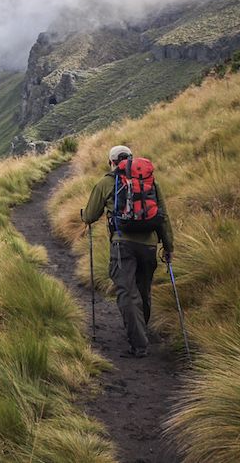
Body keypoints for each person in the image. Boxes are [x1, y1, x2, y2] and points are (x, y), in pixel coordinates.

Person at [82, 144, 174, 357]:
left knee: (126, 292)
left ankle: (139, 344)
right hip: (149, 245)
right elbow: (164, 217)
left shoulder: (107, 182)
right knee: (143, 290)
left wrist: (83, 215)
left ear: (112, 162)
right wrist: (168, 247)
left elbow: (89, 216)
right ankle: (141, 331)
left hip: (123, 245)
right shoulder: (151, 183)